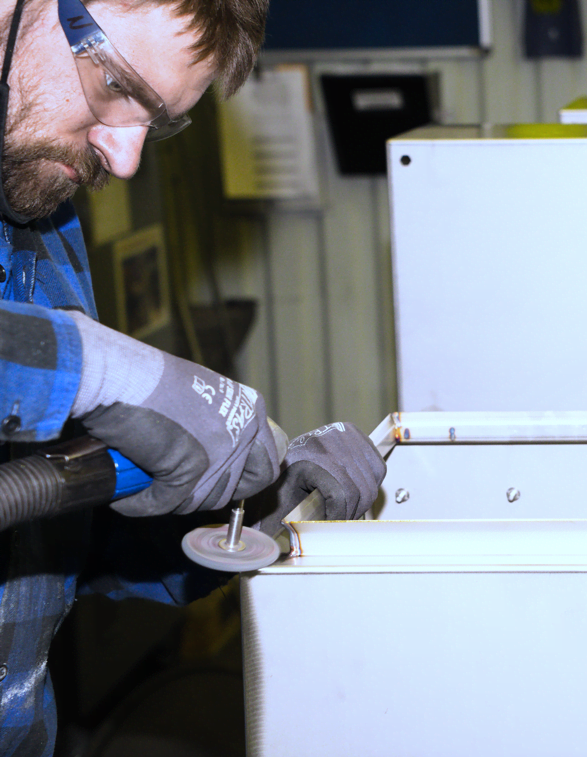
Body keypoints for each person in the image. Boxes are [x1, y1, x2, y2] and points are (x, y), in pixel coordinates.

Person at [0, 0, 386, 752]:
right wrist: (95, 369)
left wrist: (247, 512)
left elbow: (48, 538)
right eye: (117, 85)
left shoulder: (41, 218)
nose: (124, 159)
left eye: (157, 123)